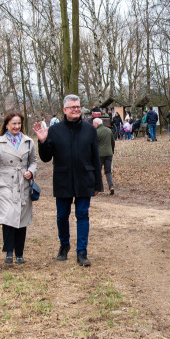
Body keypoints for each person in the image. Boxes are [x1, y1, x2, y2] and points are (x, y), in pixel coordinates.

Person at [33, 94, 103, 267]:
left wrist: (98, 183)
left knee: (82, 215)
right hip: (63, 179)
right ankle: (64, 245)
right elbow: (46, 158)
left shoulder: (90, 130)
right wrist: (42, 142)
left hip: (85, 179)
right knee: (62, 216)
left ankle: (82, 252)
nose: (76, 109)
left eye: (78, 106)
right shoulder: (55, 131)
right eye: (72, 107)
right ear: (65, 110)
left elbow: (96, 157)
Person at [0, 112, 38, 265]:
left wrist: (31, 172)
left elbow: (34, 161)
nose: (16, 126)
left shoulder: (28, 142)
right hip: (5, 185)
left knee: (22, 219)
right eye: (13, 123)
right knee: (8, 218)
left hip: (22, 184)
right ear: (7, 125)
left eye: (19, 123)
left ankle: (20, 253)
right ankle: (9, 251)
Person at [94, 117, 115, 195]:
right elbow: (113, 142)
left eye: (93, 124)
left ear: (96, 124)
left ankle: (100, 187)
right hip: (109, 154)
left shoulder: (96, 132)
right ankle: (111, 186)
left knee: (98, 171)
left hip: (99, 154)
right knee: (108, 171)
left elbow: (94, 145)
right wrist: (112, 151)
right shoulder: (109, 130)